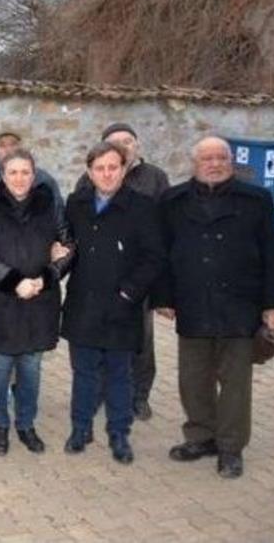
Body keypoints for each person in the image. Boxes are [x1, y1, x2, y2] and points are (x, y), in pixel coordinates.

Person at [158, 136, 274, 479]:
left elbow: (273, 255)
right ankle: (201, 436)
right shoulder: (173, 201)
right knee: (193, 378)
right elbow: (163, 252)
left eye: (221, 158)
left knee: (235, 382)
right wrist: (163, 297)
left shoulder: (256, 199)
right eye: (207, 158)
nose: (214, 164)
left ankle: (230, 447)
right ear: (194, 163)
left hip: (240, 304)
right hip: (193, 302)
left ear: (231, 162)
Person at [62, 142, 165, 465]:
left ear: (123, 169)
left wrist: (129, 293)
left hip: (122, 304)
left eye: (112, 167)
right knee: (83, 372)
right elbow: (66, 245)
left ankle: (119, 433)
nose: (106, 174)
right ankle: (80, 428)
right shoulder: (76, 203)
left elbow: (154, 257)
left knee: (120, 374)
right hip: (84, 302)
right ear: (89, 172)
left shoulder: (143, 206)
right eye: (99, 168)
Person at [0, 149, 73, 456]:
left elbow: (68, 245)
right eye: (12, 172)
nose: (19, 178)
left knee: (31, 365)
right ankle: (0, 425)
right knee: (0, 365)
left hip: (39, 299)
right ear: (3, 175)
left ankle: (26, 424)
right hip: (0, 298)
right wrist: (14, 281)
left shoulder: (50, 204)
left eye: (25, 172)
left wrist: (47, 277)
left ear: (34, 174)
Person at [74, 122, 170, 421]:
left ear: (137, 145)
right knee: (99, 336)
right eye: (115, 142)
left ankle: (139, 396)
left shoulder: (154, 177)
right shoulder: (86, 181)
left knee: (140, 340)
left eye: (128, 141)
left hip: (137, 278)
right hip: (98, 277)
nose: (122, 146)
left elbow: (165, 227)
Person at [0, 132, 62, 210]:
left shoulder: (43, 180)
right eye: (2, 145)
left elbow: (58, 212)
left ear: (21, 148)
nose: (8, 150)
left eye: (13, 144)